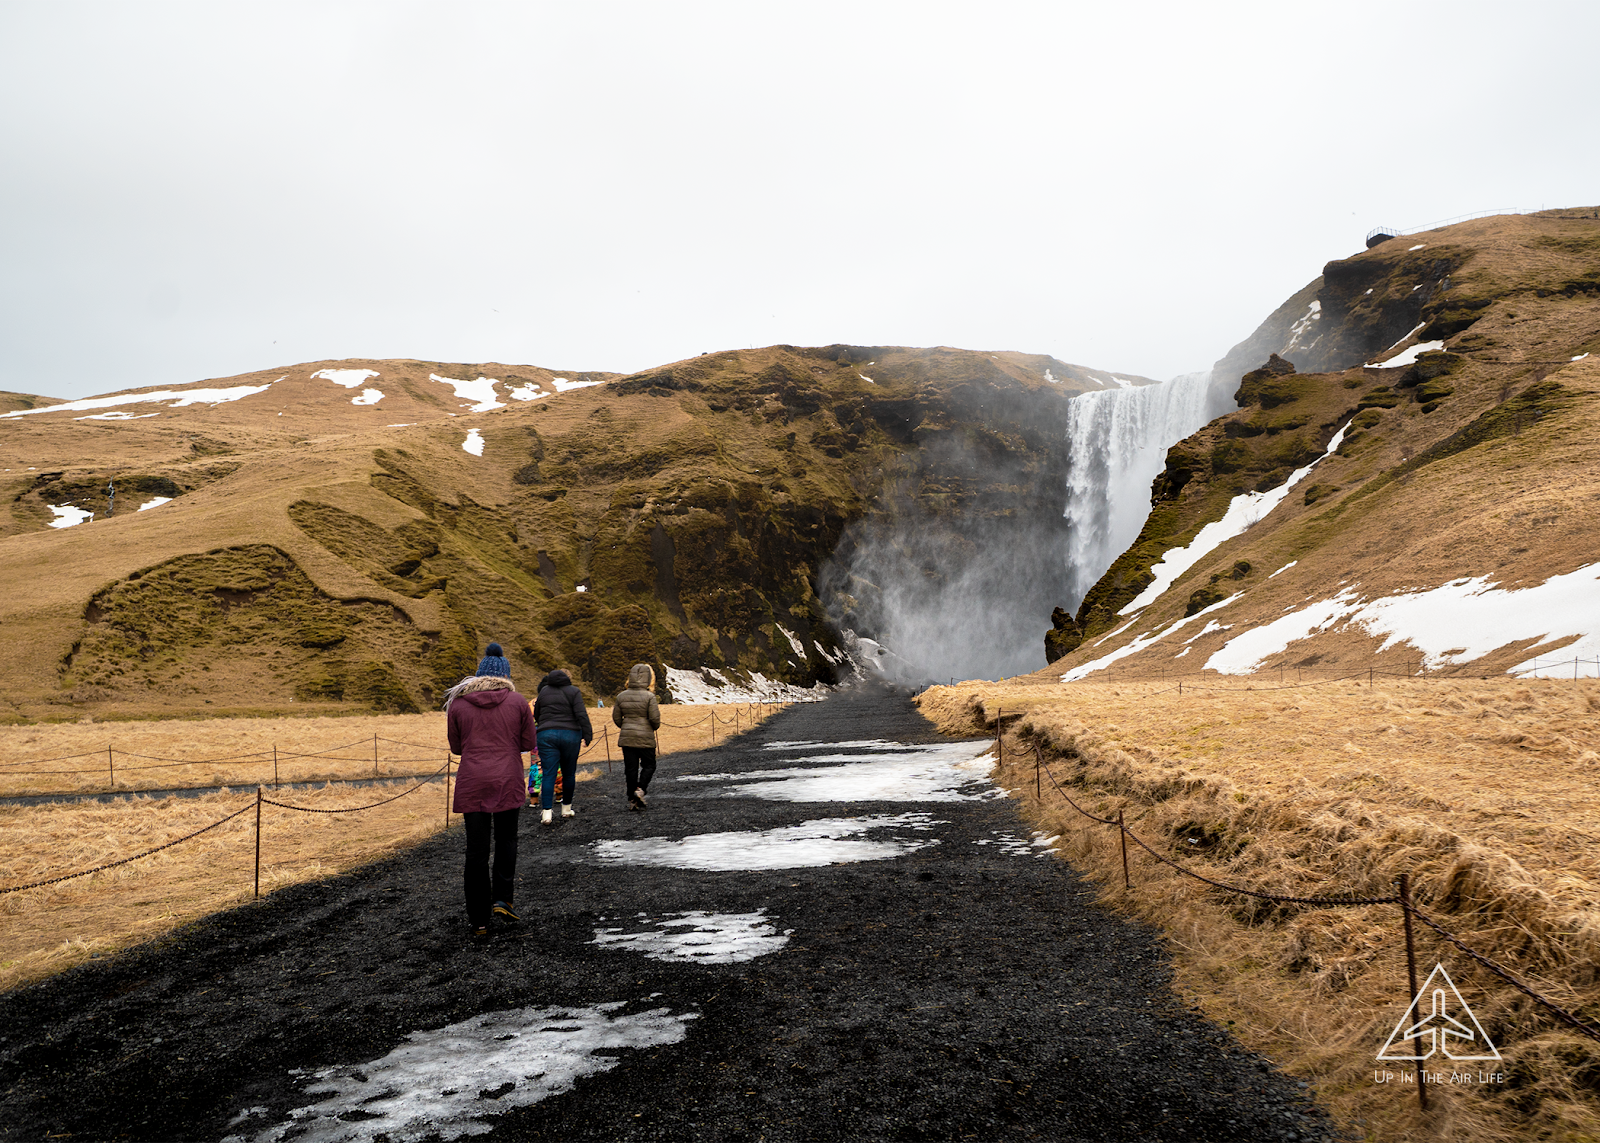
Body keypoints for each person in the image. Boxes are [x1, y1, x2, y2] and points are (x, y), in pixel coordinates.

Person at [446, 671, 535, 940]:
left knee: (476, 852)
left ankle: (478, 921)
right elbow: (528, 743)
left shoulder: (458, 705)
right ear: (504, 675)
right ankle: (503, 900)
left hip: (472, 781)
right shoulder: (518, 701)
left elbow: (456, 747)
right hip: (507, 777)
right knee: (507, 839)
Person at [534, 668, 592, 825]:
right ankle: (566, 809)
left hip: (546, 735)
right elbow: (581, 714)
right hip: (570, 735)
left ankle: (547, 813)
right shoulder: (574, 691)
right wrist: (588, 734)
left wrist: (544, 726)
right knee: (569, 773)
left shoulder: (544, 691)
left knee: (548, 774)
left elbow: (537, 713)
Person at [612, 663, 661, 810]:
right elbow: (655, 719)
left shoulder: (621, 696)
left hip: (627, 738)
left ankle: (631, 799)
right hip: (646, 737)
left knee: (630, 768)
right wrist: (652, 727)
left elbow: (616, 718)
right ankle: (640, 789)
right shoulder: (649, 697)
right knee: (649, 765)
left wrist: (626, 726)